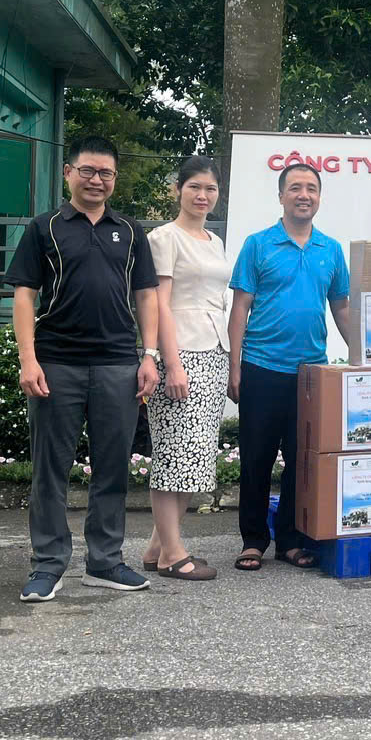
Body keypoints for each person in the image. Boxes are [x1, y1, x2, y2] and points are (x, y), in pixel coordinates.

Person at [4, 136, 160, 601]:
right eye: (88, 170)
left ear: (114, 179)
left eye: (105, 173)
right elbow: (24, 295)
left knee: (112, 468)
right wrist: (28, 359)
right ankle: (48, 564)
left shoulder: (130, 231)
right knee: (50, 469)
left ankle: (104, 561)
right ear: (68, 173)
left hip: (118, 364)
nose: (96, 180)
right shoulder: (44, 228)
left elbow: (146, 295)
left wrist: (149, 355)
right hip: (56, 363)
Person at [227, 162, 351, 571]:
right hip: (261, 366)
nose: (304, 195)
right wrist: (234, 366)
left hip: (311, 374)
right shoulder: (258, 244)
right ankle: (253, 540)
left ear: (319, 197)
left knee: (302, 461)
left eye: (311, 188)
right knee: (256, 458)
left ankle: (291, 541)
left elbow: (341, 307)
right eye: (295, 187)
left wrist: (364, 355)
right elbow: (240, 308)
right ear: (281, 196)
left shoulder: (330, 249)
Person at [142, 156, 229, 582]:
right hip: (179, 354)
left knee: (193, 457)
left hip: (214, 351)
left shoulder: (214, 241)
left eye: (210, 188)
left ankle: (156, 547)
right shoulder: (163, 238)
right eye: (194, 186)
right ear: (178, 189)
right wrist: (171, 363)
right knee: (173, 454)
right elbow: (158, 303)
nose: (202, 195)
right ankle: (172, 554)